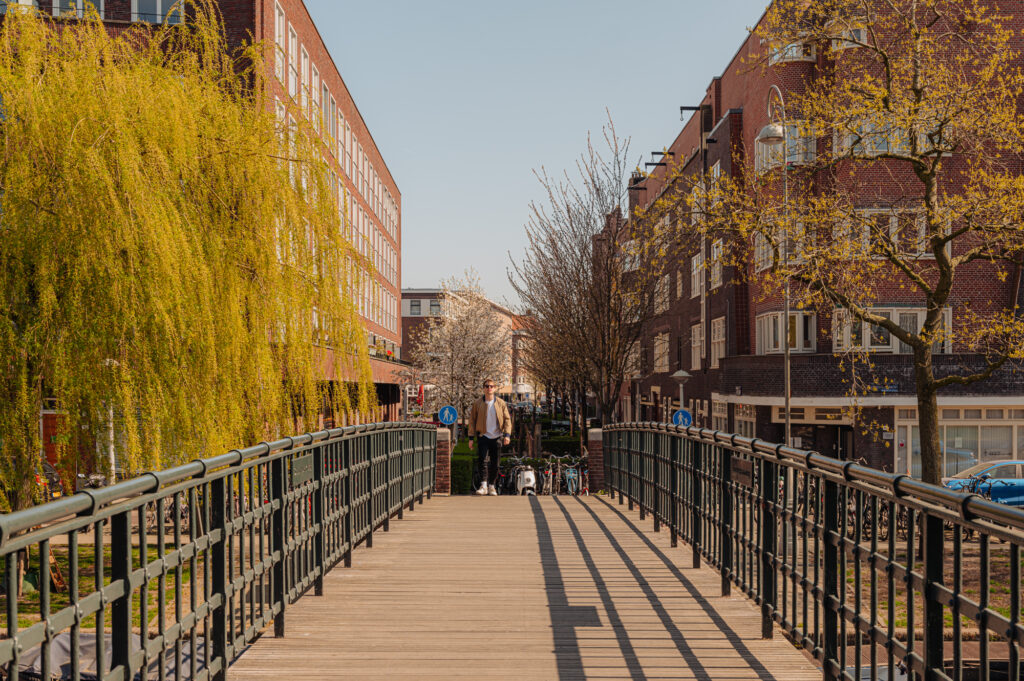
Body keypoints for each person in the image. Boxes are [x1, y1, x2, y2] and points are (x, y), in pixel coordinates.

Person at [468, 379, 512, 495]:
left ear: (495, 388)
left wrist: (507, 435)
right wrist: (471, 438)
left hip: (497, 436)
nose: (489, 388)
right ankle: (483, 486)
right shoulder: (477, 404)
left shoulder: (501, 403)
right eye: (487, 386)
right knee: (482, 460)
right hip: (483, 435)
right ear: (483, 388)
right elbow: (472, 421)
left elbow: (507, 419)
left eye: (491, 386)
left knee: (495, 463)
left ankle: (492, 485)